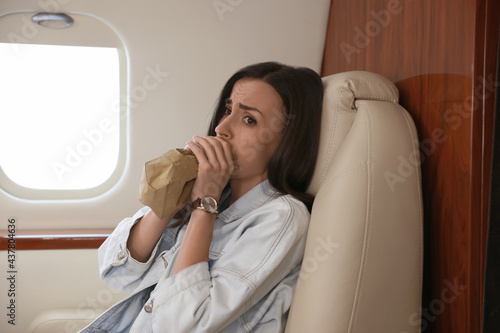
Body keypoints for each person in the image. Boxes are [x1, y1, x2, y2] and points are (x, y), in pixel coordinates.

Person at [80, 61, 323, 332]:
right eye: (228, 110)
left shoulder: (282, 217)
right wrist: (175, 192)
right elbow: (117, 271)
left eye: (249, 120)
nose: (222, 129)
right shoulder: (214, 193)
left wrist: (204, 205)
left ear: (287, 142)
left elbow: (181, 325)